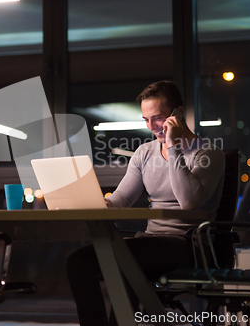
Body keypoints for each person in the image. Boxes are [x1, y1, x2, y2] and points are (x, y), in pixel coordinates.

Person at [66, 80, 225, 326]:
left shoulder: (207, 154)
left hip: (188, 246)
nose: (152, 127)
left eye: (158, 118)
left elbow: (189, 201)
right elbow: (122, 199)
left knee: (126, 260)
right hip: (150, 242)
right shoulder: (144, 153)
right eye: (145, 120)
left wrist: (172, 147)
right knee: (78, 263)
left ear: (178, 114)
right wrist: (104, 204)